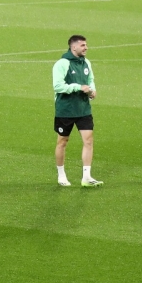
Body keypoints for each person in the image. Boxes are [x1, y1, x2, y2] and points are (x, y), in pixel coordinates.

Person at [53, 35, 101, 187]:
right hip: (65, 110)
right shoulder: (62, 63)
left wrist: (92, 90)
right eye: (83, 45)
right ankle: (61, 175)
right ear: (73, 47)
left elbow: (90, 79)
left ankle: (86, 177)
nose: (86, 48)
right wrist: (78, 87)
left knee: (88, 141)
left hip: (83, 109)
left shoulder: (86, 62)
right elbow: (58, 86)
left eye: (86, 45)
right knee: (62, 142)